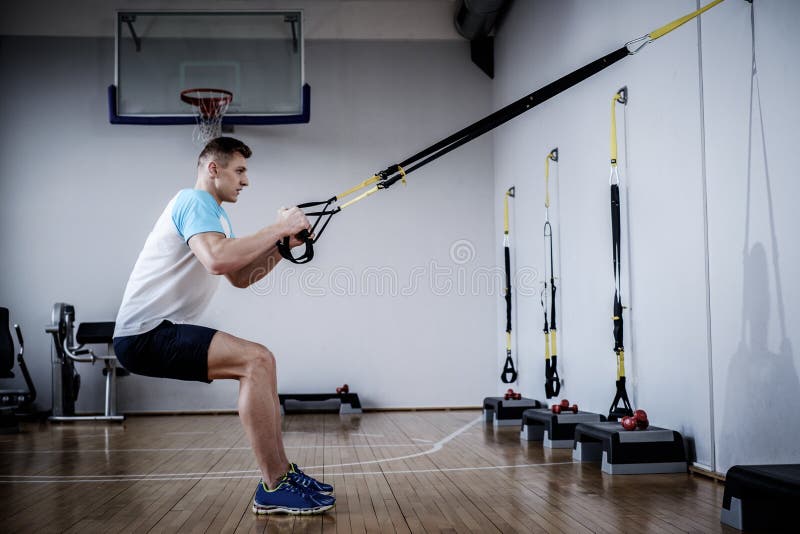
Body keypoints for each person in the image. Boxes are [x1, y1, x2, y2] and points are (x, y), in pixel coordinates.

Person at [112, 137, 334, 515]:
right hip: (146, 334)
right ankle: (275, 484)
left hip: (155, 333)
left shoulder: (214, 215)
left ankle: (282, 476)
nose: (245, 181)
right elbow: (216, 259)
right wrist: (277, 228)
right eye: (240, 170)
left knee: (260, 363)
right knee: (257, 361)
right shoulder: (194, 201)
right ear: (213, 169)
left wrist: (283, 248)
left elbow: (239, 277)